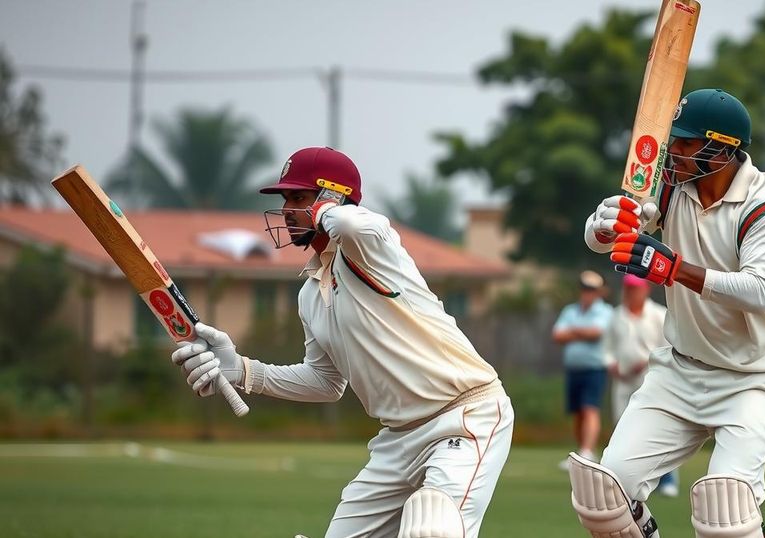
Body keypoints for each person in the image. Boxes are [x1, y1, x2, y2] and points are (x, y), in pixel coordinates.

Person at [169, 147, 514, 538]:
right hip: (397, 439)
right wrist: (245, 371)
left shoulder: (370, 251)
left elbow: (361, 228)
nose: (286, 210)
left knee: (434, 529)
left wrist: (325, 210)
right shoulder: (310, 295)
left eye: (298, 197)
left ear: (332, 198)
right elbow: (325, 382)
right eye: (285, 199)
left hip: (464, 418)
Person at [570, 88, 765, 538]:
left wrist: (673, 268)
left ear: (724, 147)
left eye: (686, 143)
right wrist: (606, 225)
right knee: (605, 497)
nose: (673, 152)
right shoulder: (670, 186)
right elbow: (603, 240)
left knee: (726, 514)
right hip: (678, 372)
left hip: (753, 379)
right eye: (672, 140)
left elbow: (758, 292)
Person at [603, 273, 678, 496]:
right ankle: (626, 482)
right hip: (623, 381)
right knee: (623, 428)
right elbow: (607, 349)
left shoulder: (658, 314)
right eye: (628, 288)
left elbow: (669, 348)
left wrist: (646, 361)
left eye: (635, 288)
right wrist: (612, 364)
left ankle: (667, 480)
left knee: (658, 428)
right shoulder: (616, 316)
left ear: (645, 289)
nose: (630, 293)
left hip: (652, 380)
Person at [552, 270, 614, 468]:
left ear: (599, 292)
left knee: (589, 408)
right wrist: (581, 332)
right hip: (574, 369)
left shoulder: (605, 311)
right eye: (585, 289)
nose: (587, 293)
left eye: (592, 290)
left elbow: (596, 333)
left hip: (595, 368)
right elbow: (557, 335)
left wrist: (572, 331)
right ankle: (583, 453)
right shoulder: (571, 311)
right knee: (578, 412)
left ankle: (587, 451)